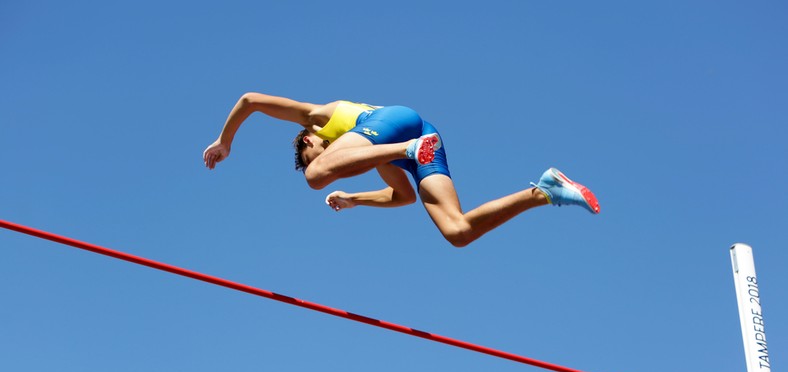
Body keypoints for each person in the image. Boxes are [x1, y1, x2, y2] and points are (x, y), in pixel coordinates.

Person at [203, 92, 600, 247]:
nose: (329, 162)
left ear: (308, 140)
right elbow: (404, 196)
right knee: (457, 232)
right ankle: (545, 191)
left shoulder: (320, 119)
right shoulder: (375, 158)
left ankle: (410, 148)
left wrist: (225, 141)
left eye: (315, 152)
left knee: (314, 177)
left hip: (402, 130)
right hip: (418, 140)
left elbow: (250, 100)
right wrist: (355, 199)